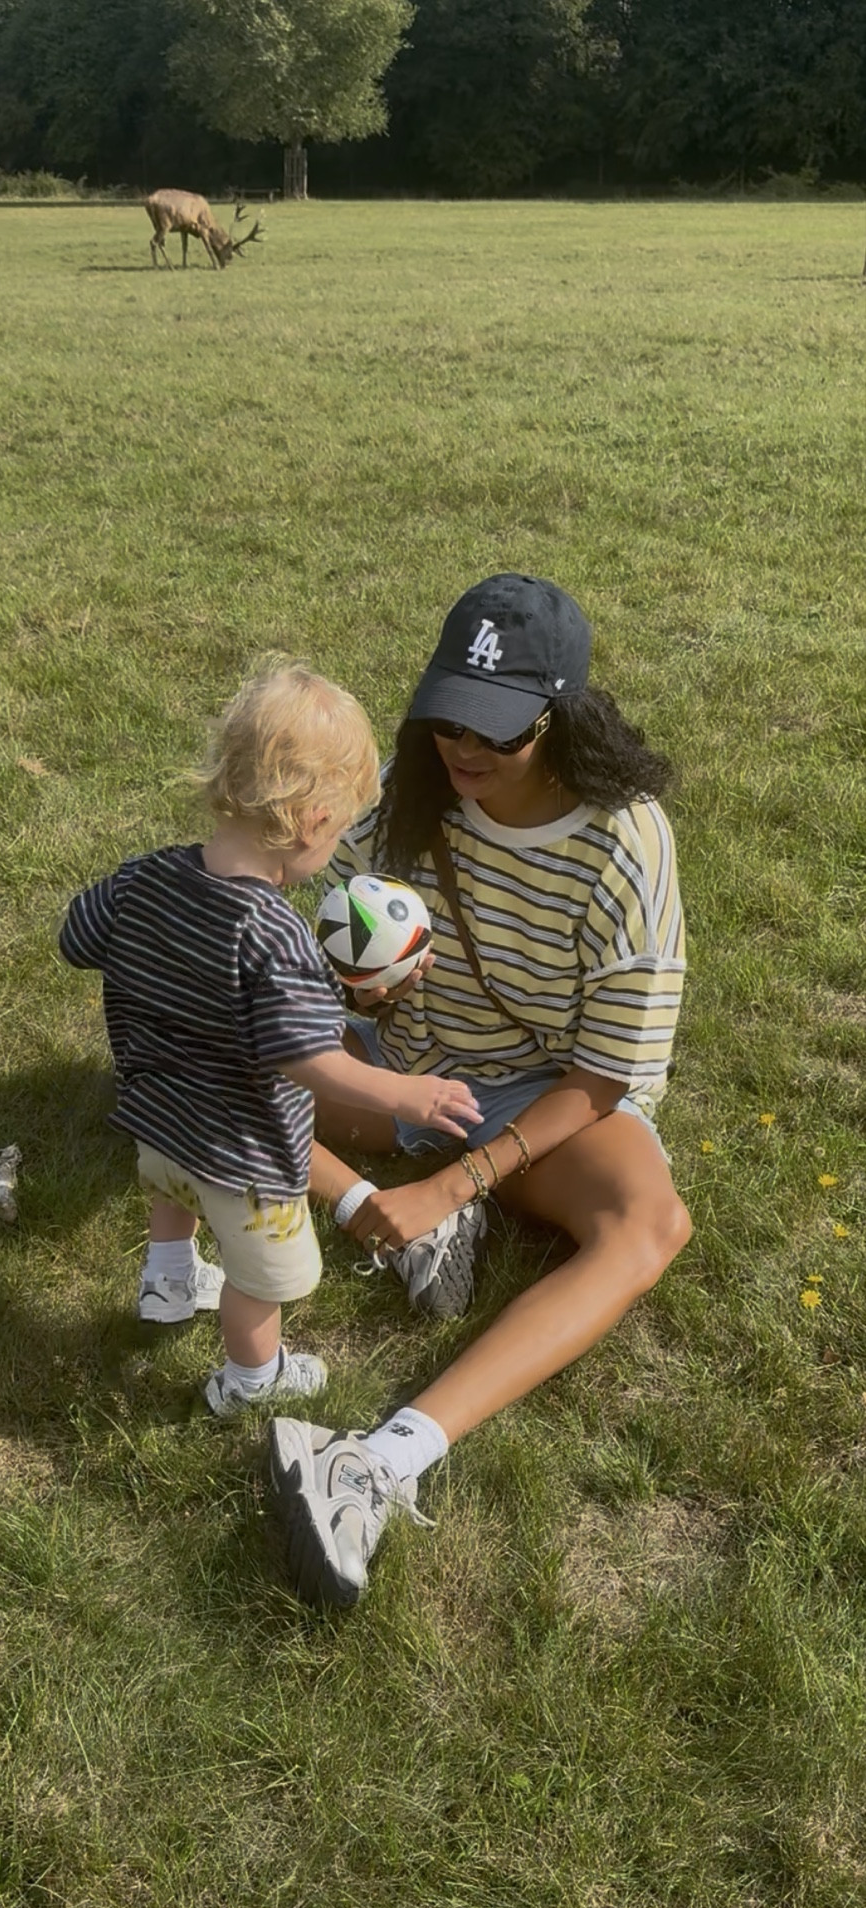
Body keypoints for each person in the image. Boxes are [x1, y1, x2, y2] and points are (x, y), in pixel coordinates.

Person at [271, 574, 692, 1608]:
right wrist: (345, 978)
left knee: (650, 1222)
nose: (462, 747)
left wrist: (457, 1181)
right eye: (447, 715)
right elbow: (299, 913)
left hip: (537, 1094)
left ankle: (376, 1464)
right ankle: (378, 1210)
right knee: (207, 1044)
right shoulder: (407, 792)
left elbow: (603, 1074)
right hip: (390, 1059)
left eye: (497, 732)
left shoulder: (624, 843)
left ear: (564, 718)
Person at [58, 661, 480, 1416]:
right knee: (264, 1281)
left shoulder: (143, 878)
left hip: (156, 1125)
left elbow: (75, 938)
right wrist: (406, 1092)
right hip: (245, 1159)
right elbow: (309, 1060)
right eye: (343, 824)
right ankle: (250, 1381)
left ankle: (169, 1279)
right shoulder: (273, 930)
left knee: (171, 1197)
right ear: (313, 820)